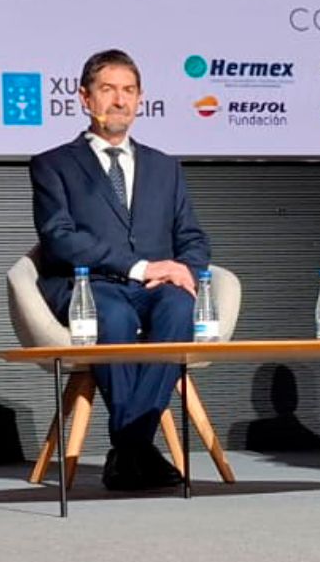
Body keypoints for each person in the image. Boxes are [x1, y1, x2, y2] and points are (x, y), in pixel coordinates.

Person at [29, 49, 211, 490]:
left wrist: (184, 271)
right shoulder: (53, 164)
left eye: (129, 91)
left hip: (154, 288)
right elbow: (59, 237)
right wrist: (140, 266)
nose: (119, 100)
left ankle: (129, 446)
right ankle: (138, 449)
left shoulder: (165, 167)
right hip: (87, 284)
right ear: (84, 98)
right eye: (108, 89)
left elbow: (192, 237)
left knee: (178, 308)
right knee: (112, 316)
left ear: (140, 99)